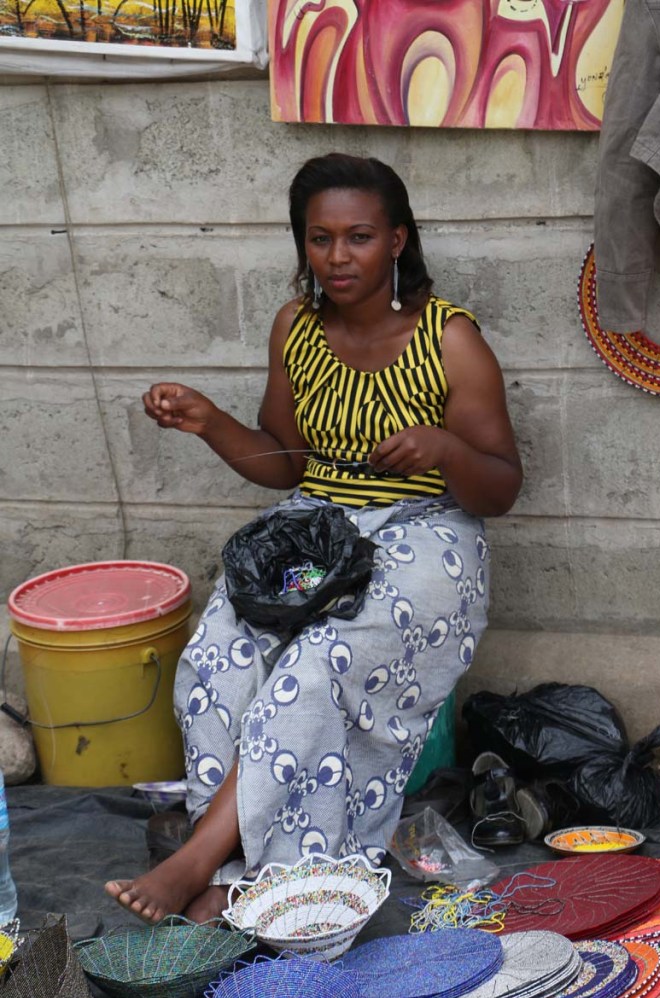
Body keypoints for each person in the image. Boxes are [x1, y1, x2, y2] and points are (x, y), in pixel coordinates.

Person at [105, 153, 523, 924]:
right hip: (315, 532)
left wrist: (444, 448)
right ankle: (240, 867)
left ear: (397, 240)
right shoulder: (296, 327)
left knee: (315, 664)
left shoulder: (448, 338)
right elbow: (284, 462)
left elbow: (499, 485)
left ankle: (213, 861)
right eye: (319, 237)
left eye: (358, 236)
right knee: (219, 656)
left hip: (424, 537)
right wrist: (207, 422)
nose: (337, 256)